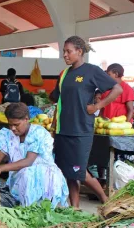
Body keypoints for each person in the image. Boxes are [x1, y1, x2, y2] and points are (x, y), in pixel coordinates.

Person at [50, 36, 123, 208]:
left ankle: (106, 201)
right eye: (63, 52)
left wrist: (98, 105)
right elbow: (59, 102)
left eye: (69, 51)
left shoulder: (92, 71)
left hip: (81, 130)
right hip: (63, 130)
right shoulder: (64, 74)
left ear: (79, 51)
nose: (65, 55)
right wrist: (54, 125)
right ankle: (74, 208)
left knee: (79, 171)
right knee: (68, 171)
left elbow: (117, 89)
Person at [0, 103, 69, 207]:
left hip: (43, 179)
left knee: (27, 174)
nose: (13, 128)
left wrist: (0, 169)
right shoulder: (7, 135)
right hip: (21, 180)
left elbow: (28, 161)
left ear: (26, 119)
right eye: (10, 124)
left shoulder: (37, 133)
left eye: (16, 125)